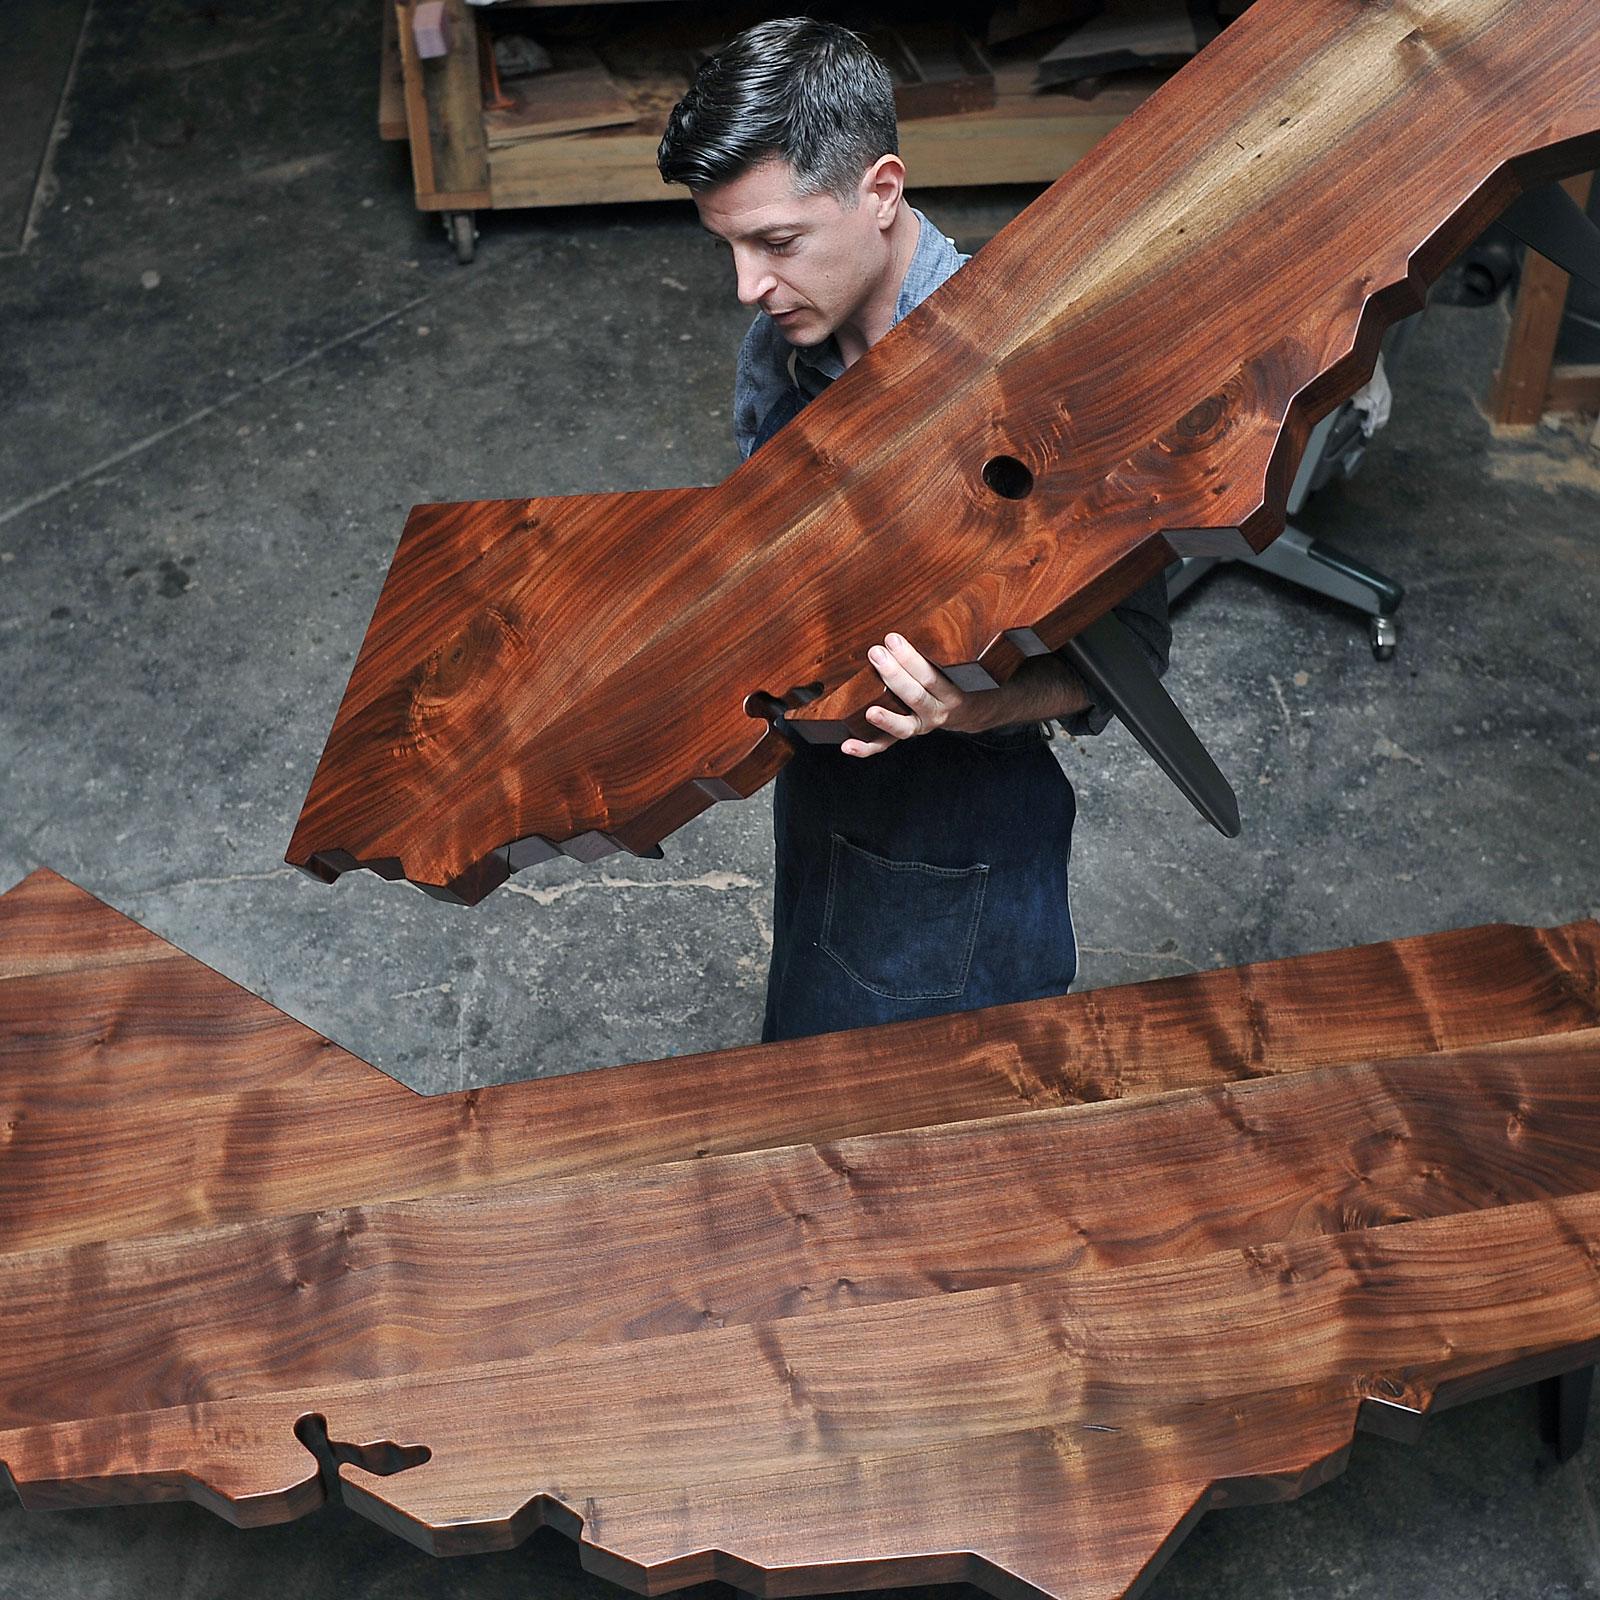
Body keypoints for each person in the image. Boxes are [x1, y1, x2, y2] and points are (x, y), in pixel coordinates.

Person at [657, 18, 1170, 1044]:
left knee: (930, 1148)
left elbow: (1132, 665)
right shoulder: (781, 347)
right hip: (825, 801)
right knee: (812, 1078)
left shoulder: (1038, 381)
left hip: (966, 840)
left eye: (776, 242)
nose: (748, 286)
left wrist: (967, 712)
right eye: (730, 246)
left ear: (881, 191)